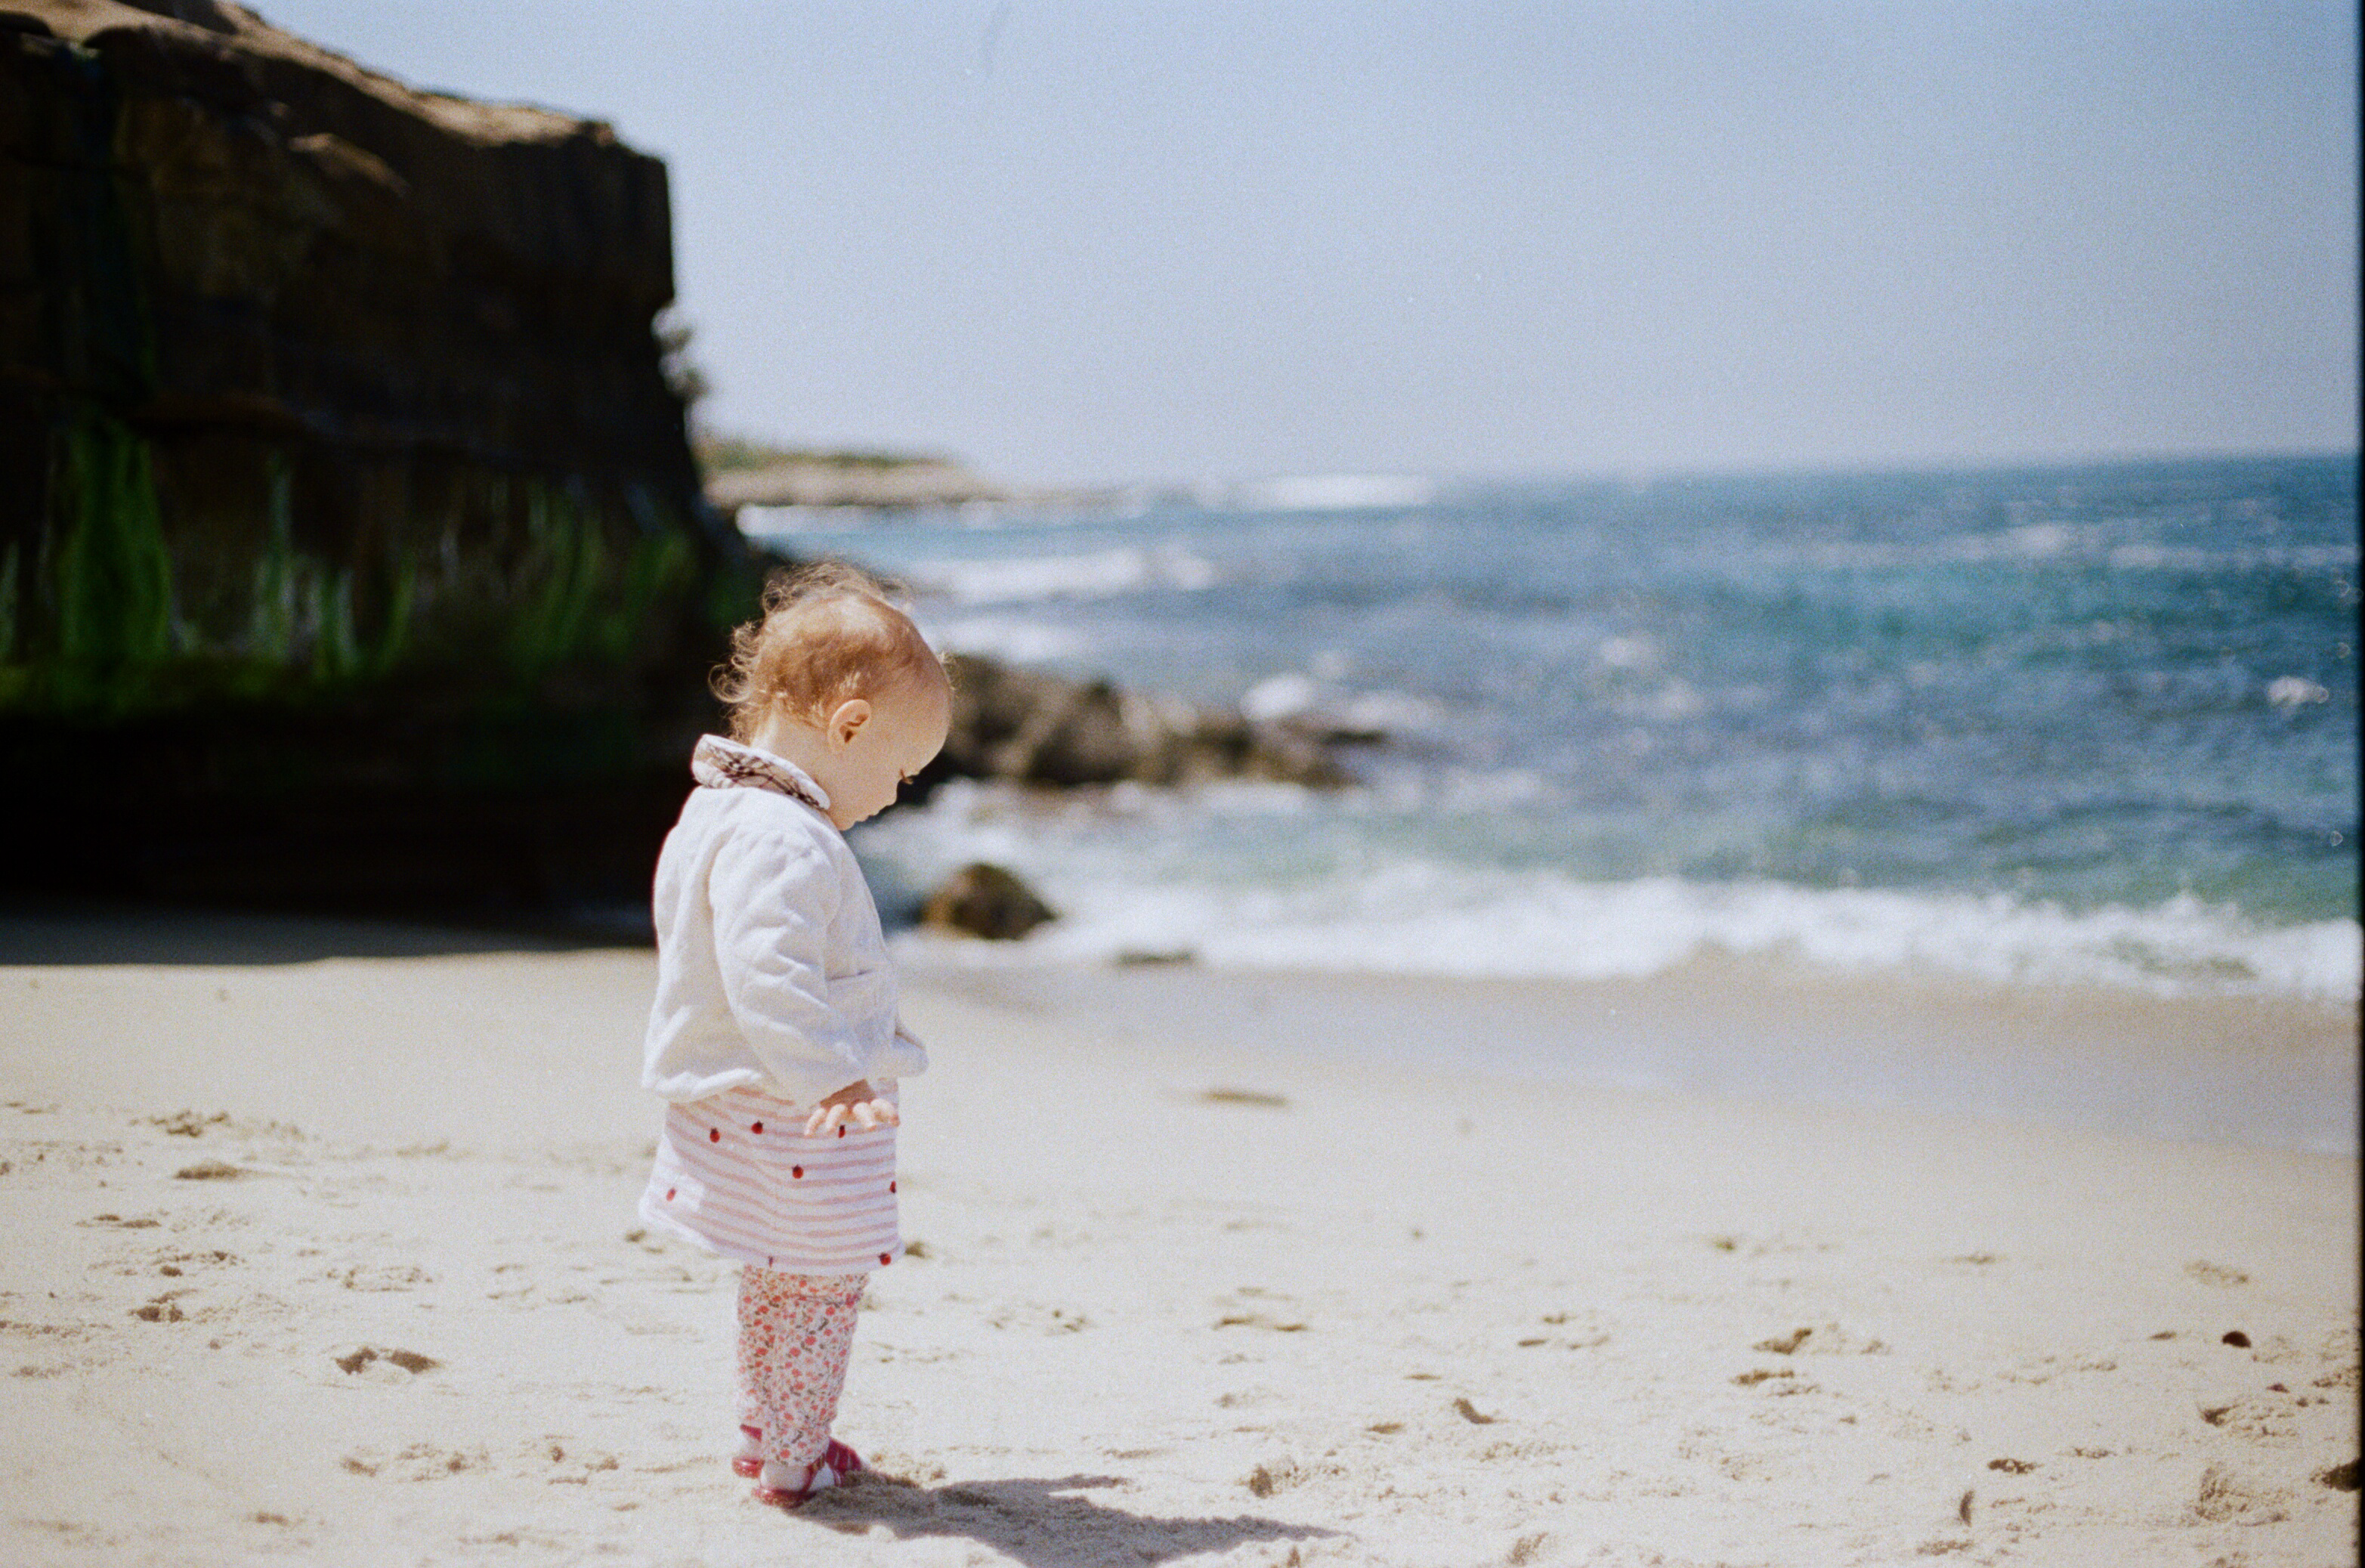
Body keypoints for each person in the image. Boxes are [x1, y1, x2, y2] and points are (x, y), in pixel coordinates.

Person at [636, 562, 951, 1508]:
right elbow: (765, 970)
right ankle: (794, 1456)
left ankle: (766, 1428)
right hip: (797, 1109)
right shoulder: (782, 835)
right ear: (848, 725)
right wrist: (836, 1082)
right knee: (823, 1283)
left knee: (774, 1278)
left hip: (749, 1097)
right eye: (899, 771)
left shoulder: (718, 808)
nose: (894, 794)